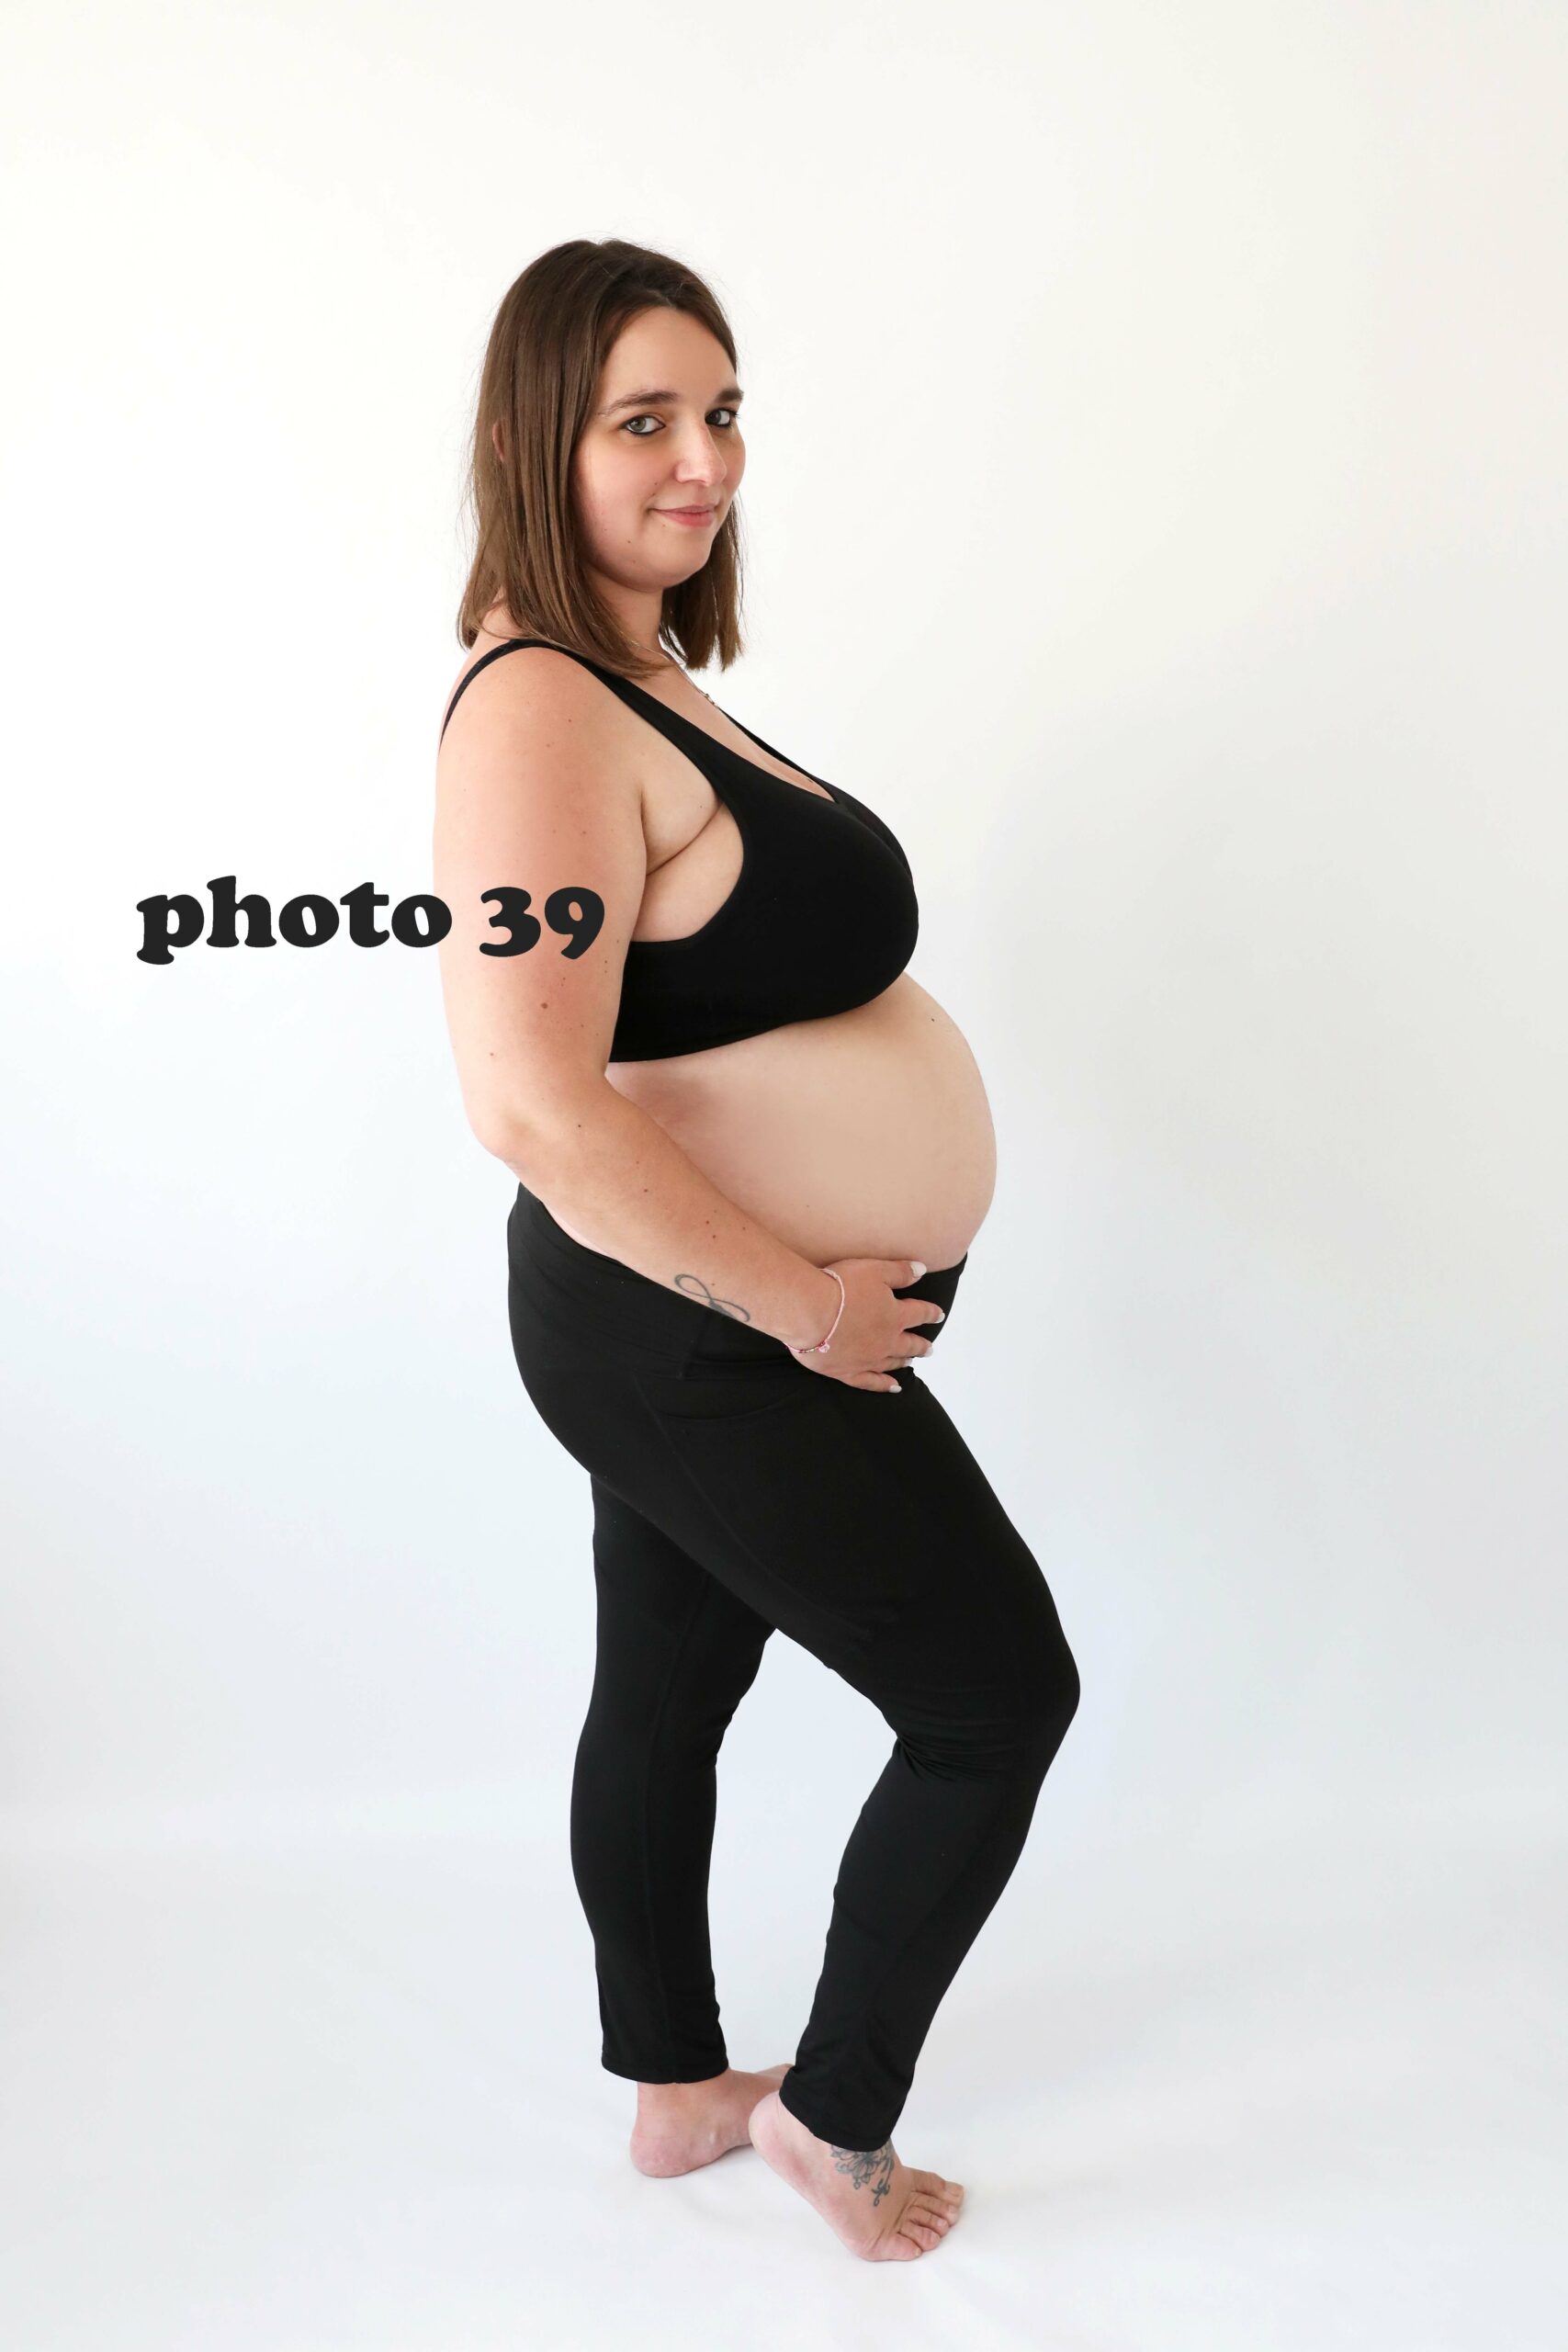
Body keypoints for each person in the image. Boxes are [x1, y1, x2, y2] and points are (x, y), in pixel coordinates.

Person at [433, 238, 1080, 2264]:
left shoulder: (641, 685)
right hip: (696, 1331)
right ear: (540, 442)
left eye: (720, 413)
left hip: (691, 1325)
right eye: (643, 420)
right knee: (995, 1697)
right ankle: (832, 2117)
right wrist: (802, 1303)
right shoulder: (537, 709)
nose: (701, 459)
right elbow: (528, 1099)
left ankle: (670, 2091)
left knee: (664, 1680)